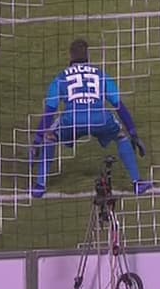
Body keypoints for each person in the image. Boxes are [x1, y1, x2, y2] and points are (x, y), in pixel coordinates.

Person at [31, 39, 152, 198]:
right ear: (88, 55)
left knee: (50, 137)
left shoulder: (60, 78)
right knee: (121, 136)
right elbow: (119, 106)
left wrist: (37, 140)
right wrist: (134, 134)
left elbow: (49, 112)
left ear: (70, 56)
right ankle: (137, 182)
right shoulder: (101, 75)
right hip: (99, 119)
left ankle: (40, 186)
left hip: (72, 121)